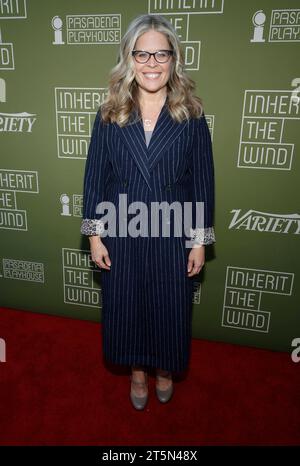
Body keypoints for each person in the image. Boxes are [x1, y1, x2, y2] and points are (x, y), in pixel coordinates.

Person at [80, 13, 216, 410]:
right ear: (129, 58)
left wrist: (198, 242)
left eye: (161, 54)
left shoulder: (191, 116)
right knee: (128, 308)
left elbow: (201, 184)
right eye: (143, 53)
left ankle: (165, 371)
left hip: (172, 233)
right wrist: (94, 235)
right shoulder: (110, 113)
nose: (152, 63)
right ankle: (138, 374)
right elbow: (94, 178)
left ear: (174, 60)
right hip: (122, 231)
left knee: (169, 310)